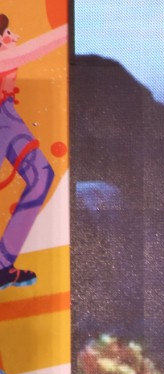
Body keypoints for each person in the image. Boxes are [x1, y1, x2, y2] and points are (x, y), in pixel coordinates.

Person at [0, 15, 66, 292]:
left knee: (40, 175)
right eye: (7, 35)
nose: (13, 38)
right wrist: (68, 29)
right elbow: (32, 50)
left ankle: (3, 263)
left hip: (7, 114)